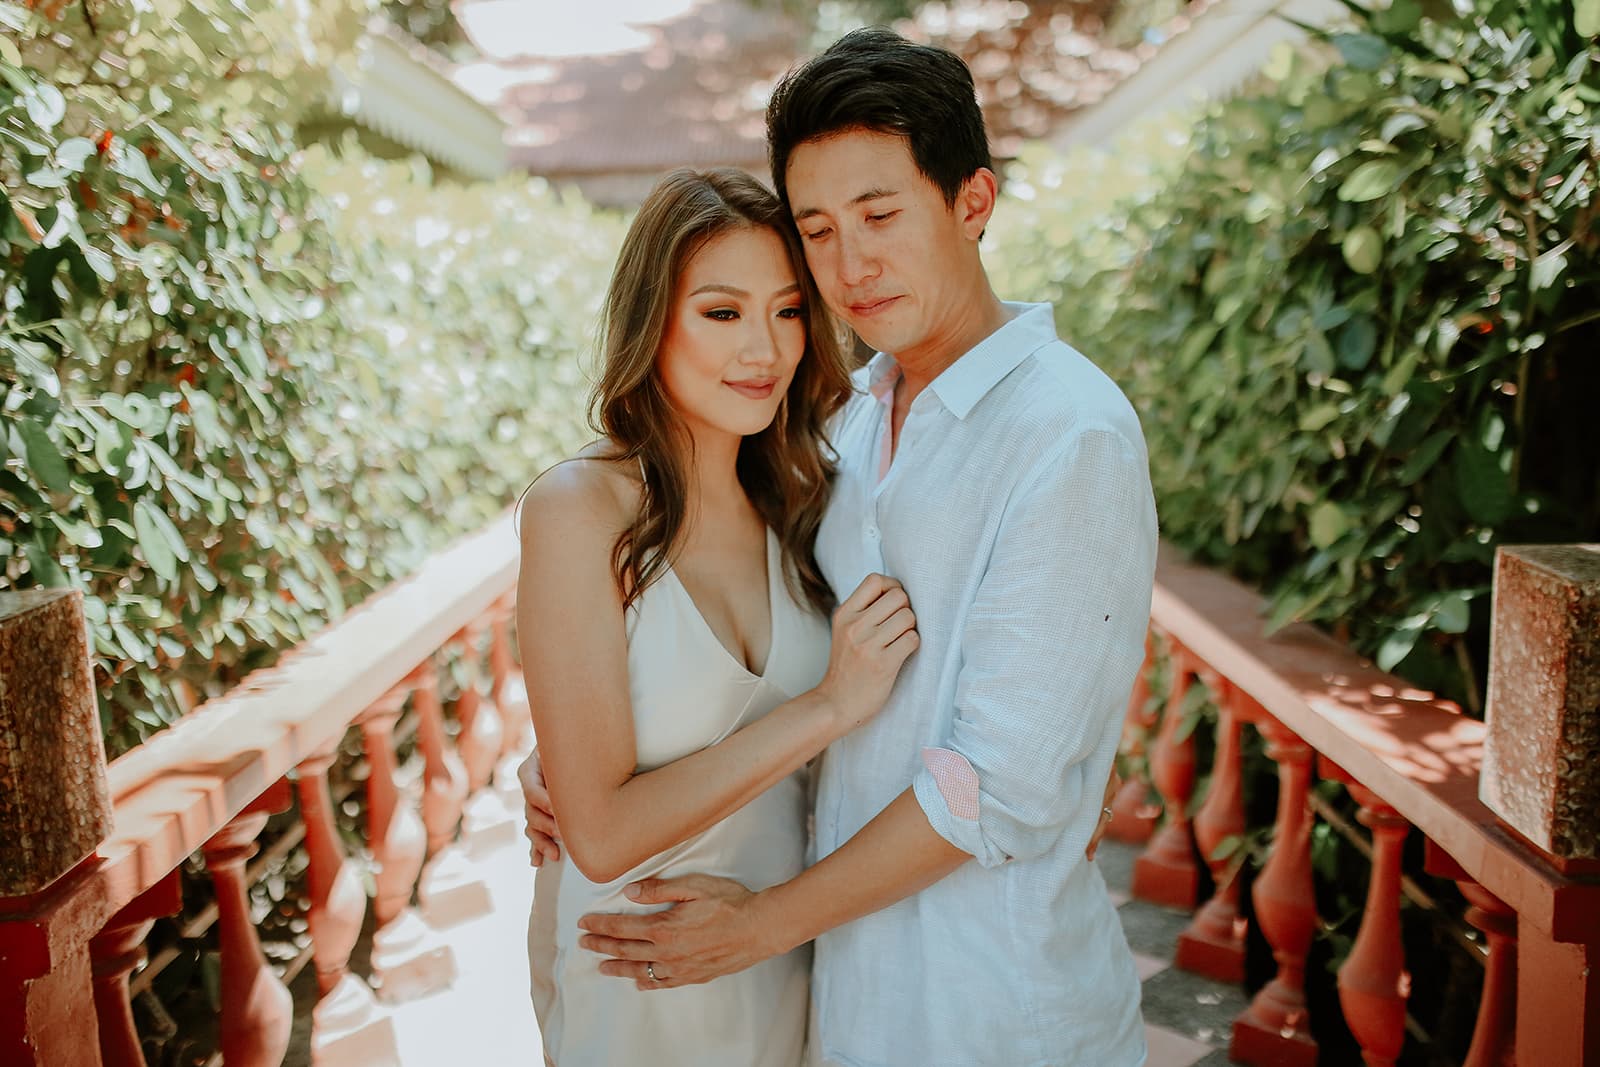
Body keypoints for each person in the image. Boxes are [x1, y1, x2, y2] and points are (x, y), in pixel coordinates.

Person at [527, 28, 1159, 1066]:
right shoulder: (841, 432)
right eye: (816, 230)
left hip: (989, 1003)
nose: (848, 266)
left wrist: (759, 922)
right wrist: (579, 750)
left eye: (879, 214)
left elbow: (999, 784)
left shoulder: (1068, 434)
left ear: (971, 203)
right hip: (831, 999)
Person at [514, 167, 922, 1067]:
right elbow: (603, 832)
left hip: (780, 956)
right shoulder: (580, 508)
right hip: (639, 973)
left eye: (785, 310)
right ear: (652, 320)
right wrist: (824, 706)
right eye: (723, 312)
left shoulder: (802, 498)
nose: (765, 349)